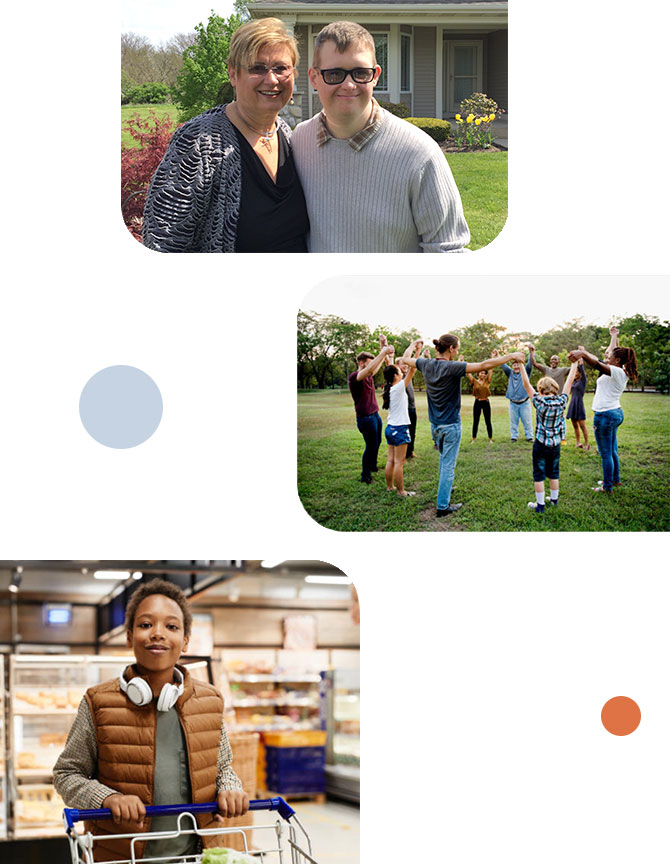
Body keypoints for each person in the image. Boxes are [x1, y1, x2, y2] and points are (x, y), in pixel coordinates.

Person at [54, 579, 248, 862]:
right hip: (121, 856)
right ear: (129, 636)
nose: (158, 634)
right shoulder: (98, 703)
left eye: (171, 627)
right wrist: (107, 799)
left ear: (184, 641)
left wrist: (230, 787)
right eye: (146, 625)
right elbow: (66, 774)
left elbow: (221, 768)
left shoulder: (210, 701)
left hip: (195, 857)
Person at [292, 21, 469, 252]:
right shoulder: (299, 141)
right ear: (314, 78)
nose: (348, 84)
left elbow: (448, 251)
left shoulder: (419, 154)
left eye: (360, 73)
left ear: (375, 76)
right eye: (334, 73)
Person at [143, 18, 309, 252]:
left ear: (293, 74)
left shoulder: (287, 135)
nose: (271, 79)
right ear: (233, 74)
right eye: (257, 68)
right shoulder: (198, 143)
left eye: (281, 68)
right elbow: (162, 242)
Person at [404, 335, 523, 517]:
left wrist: (413, 345)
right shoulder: (453, 367)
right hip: (450, 425)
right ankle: (443, 506)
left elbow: (404, 359)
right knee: (447, 465)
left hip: (435, 426)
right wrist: (512, 355)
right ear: (451, 348)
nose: (458, 351)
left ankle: (446, 488)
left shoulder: (425, 364)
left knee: (444, 461)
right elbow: (484, 365)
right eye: (457, 348)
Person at [569, 343, 638, 493]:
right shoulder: (621, 371)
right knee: (612, 450)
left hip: (605, 415)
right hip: (614, 413)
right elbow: (600, 360)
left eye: (611, 357)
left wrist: (582, 354)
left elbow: (595, 364)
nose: (607, 358)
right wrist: (613, 337)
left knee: (605, 453)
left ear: (618, 360)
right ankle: (615, 480)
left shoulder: (616, 371)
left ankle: (607, 487)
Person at [518, 360, 579, 513]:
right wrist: (574, 364)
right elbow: (570, 380)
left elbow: (526, 384)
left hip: (540, 445)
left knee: (539, 475)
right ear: (556, 390)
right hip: (555, 445)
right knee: (554, 473)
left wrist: (520, 365)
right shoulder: (562, 400)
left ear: (540, 391)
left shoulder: (539, 401)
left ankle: (540, 506)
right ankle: (554, 500)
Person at [348, 344, 394, 483]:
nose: (371, 367)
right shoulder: (355, 377)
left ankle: (372, 466)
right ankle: (365, 476)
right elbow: (369, 369)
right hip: (365, 418)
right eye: (369, 363)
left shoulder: (368, 376)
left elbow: (373, 368)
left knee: (377, 442)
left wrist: (384, 354)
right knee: (370, 446)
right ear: (361, 363)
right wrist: (383, 352)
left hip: (375, 415)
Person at [381, 340, 422, 496]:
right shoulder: (398, 387)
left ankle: (390, 487)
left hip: (390, 428)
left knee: (391, 460)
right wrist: (414, 347)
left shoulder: (390, 388)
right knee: (399, 462)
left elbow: (411, 368)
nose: (402, 371)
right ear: (396, 375)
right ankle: (401, 491)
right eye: (399, 371)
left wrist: (416, 351)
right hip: (399, 428)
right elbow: (412, 368)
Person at [500, 350, 535, 442]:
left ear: (521, 365)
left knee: (527, 421)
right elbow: (502, 364)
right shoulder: (510, 373)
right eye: (514, 365)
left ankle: (529, 436)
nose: (516, 366)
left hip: (524, 402)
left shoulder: (525, 373)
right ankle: (514, 437)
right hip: (513, 403)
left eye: (517, 364)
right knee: (513, 422)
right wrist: (497, 355)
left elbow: (530, 363)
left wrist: (531, 352)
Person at [463, 350, 496, 443]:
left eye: (484, 373)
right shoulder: (474, 381)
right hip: (477, 402)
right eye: (481, 373)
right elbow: (468, 372)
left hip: (486, 402)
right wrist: (462, 362)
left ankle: (490, 439)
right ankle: (473, 439)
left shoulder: (487, 381)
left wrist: (492, 357)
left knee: (488, 421)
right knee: (476, 421)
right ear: (478, 374)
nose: (482, 374)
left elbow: (491, 368)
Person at [567, 362, 590, 449]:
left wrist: (580, 363)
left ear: (580, 373)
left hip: (579, 405)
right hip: (572, 404)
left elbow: (582, 370)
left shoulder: (583, 381)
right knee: (575, 426)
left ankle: (587, 444)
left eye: (576, 371)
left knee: (582, 426)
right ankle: (578, 442)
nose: (575, 373)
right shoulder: (574, 381)